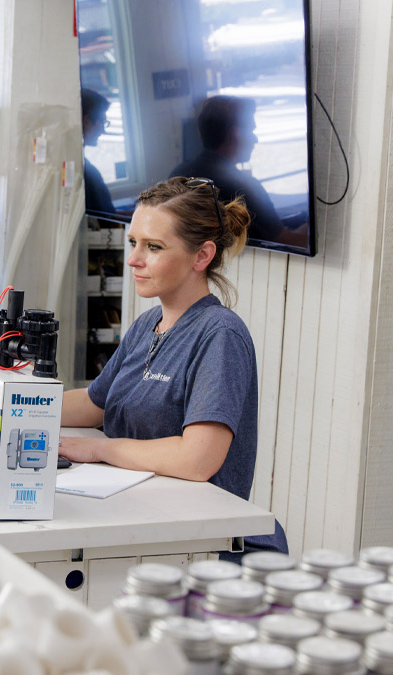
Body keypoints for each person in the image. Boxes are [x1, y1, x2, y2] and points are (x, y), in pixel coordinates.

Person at [59, 176, 288, 560]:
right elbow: (94, 403)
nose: (133, 259)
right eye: (133, 243)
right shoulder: (147, 325)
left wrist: (100, 448)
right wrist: (15, 403)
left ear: (201, 256)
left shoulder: (221, 335)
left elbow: (197, 460)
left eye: (153, 247)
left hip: (203, 547)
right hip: (139, 520)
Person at [170, 95, 307, 249]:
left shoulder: (178, 174)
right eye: (251, 130)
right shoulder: (244, 187)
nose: (255, 139)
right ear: (236, 134)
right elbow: (287, 241)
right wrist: (311, 225)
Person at [81, 89, 117, 216]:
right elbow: (107, 219)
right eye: (102, 122)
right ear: (86, 122)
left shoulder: (84, 168)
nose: (103, 130)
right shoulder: (87, 174)